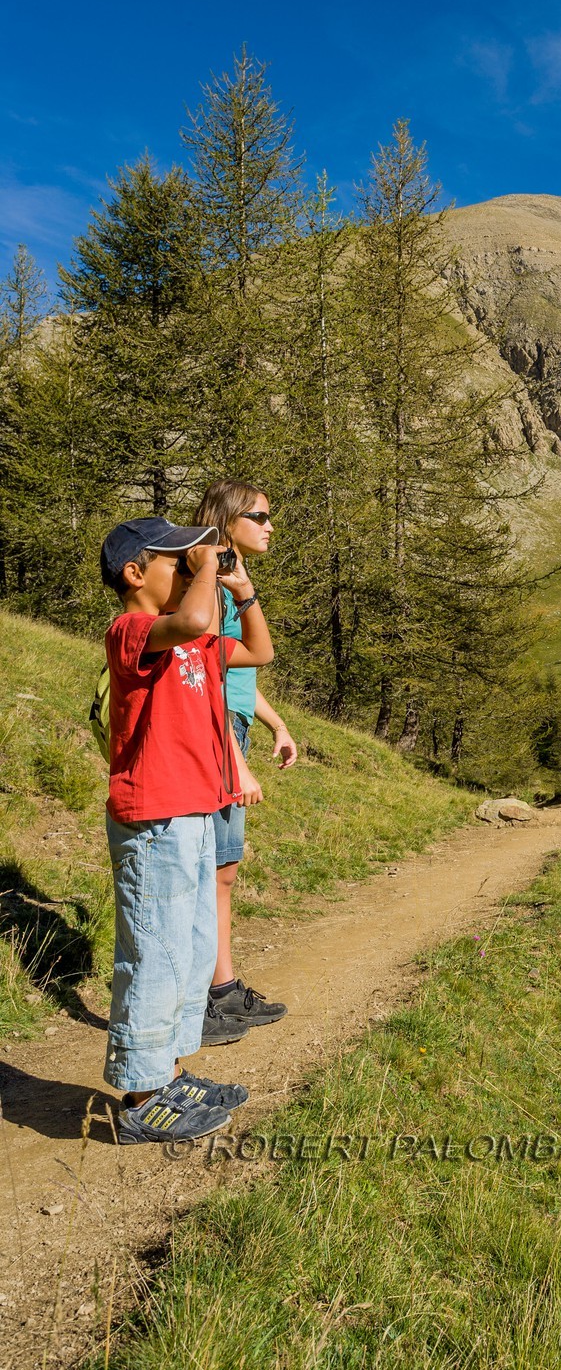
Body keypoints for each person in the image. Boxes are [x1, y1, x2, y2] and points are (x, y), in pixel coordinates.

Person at [99, 516, 275, 1143]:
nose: (188, 566)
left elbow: (257, 652)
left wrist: (241, 588)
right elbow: (196, 619)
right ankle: (143, 1096)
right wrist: (207, 570)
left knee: (192, 953)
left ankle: (167, 1073)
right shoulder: (133, 631)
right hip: (154, 818)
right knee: (157, 956)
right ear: (135, 574)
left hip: (194, 812)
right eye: (174, 560)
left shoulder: (193, 642)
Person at [193, 479, 297, 1042]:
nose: (269, 526)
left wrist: (276, 724)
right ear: (229, 520)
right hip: (216, 738)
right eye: (259, 516)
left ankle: (222, 989)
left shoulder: (228, 583)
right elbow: (203, 683)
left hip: (231, 729)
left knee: (223, 870)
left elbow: (234, 672)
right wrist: (236, 761)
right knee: (210, 870)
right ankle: (204, 998)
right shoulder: (208, 590)